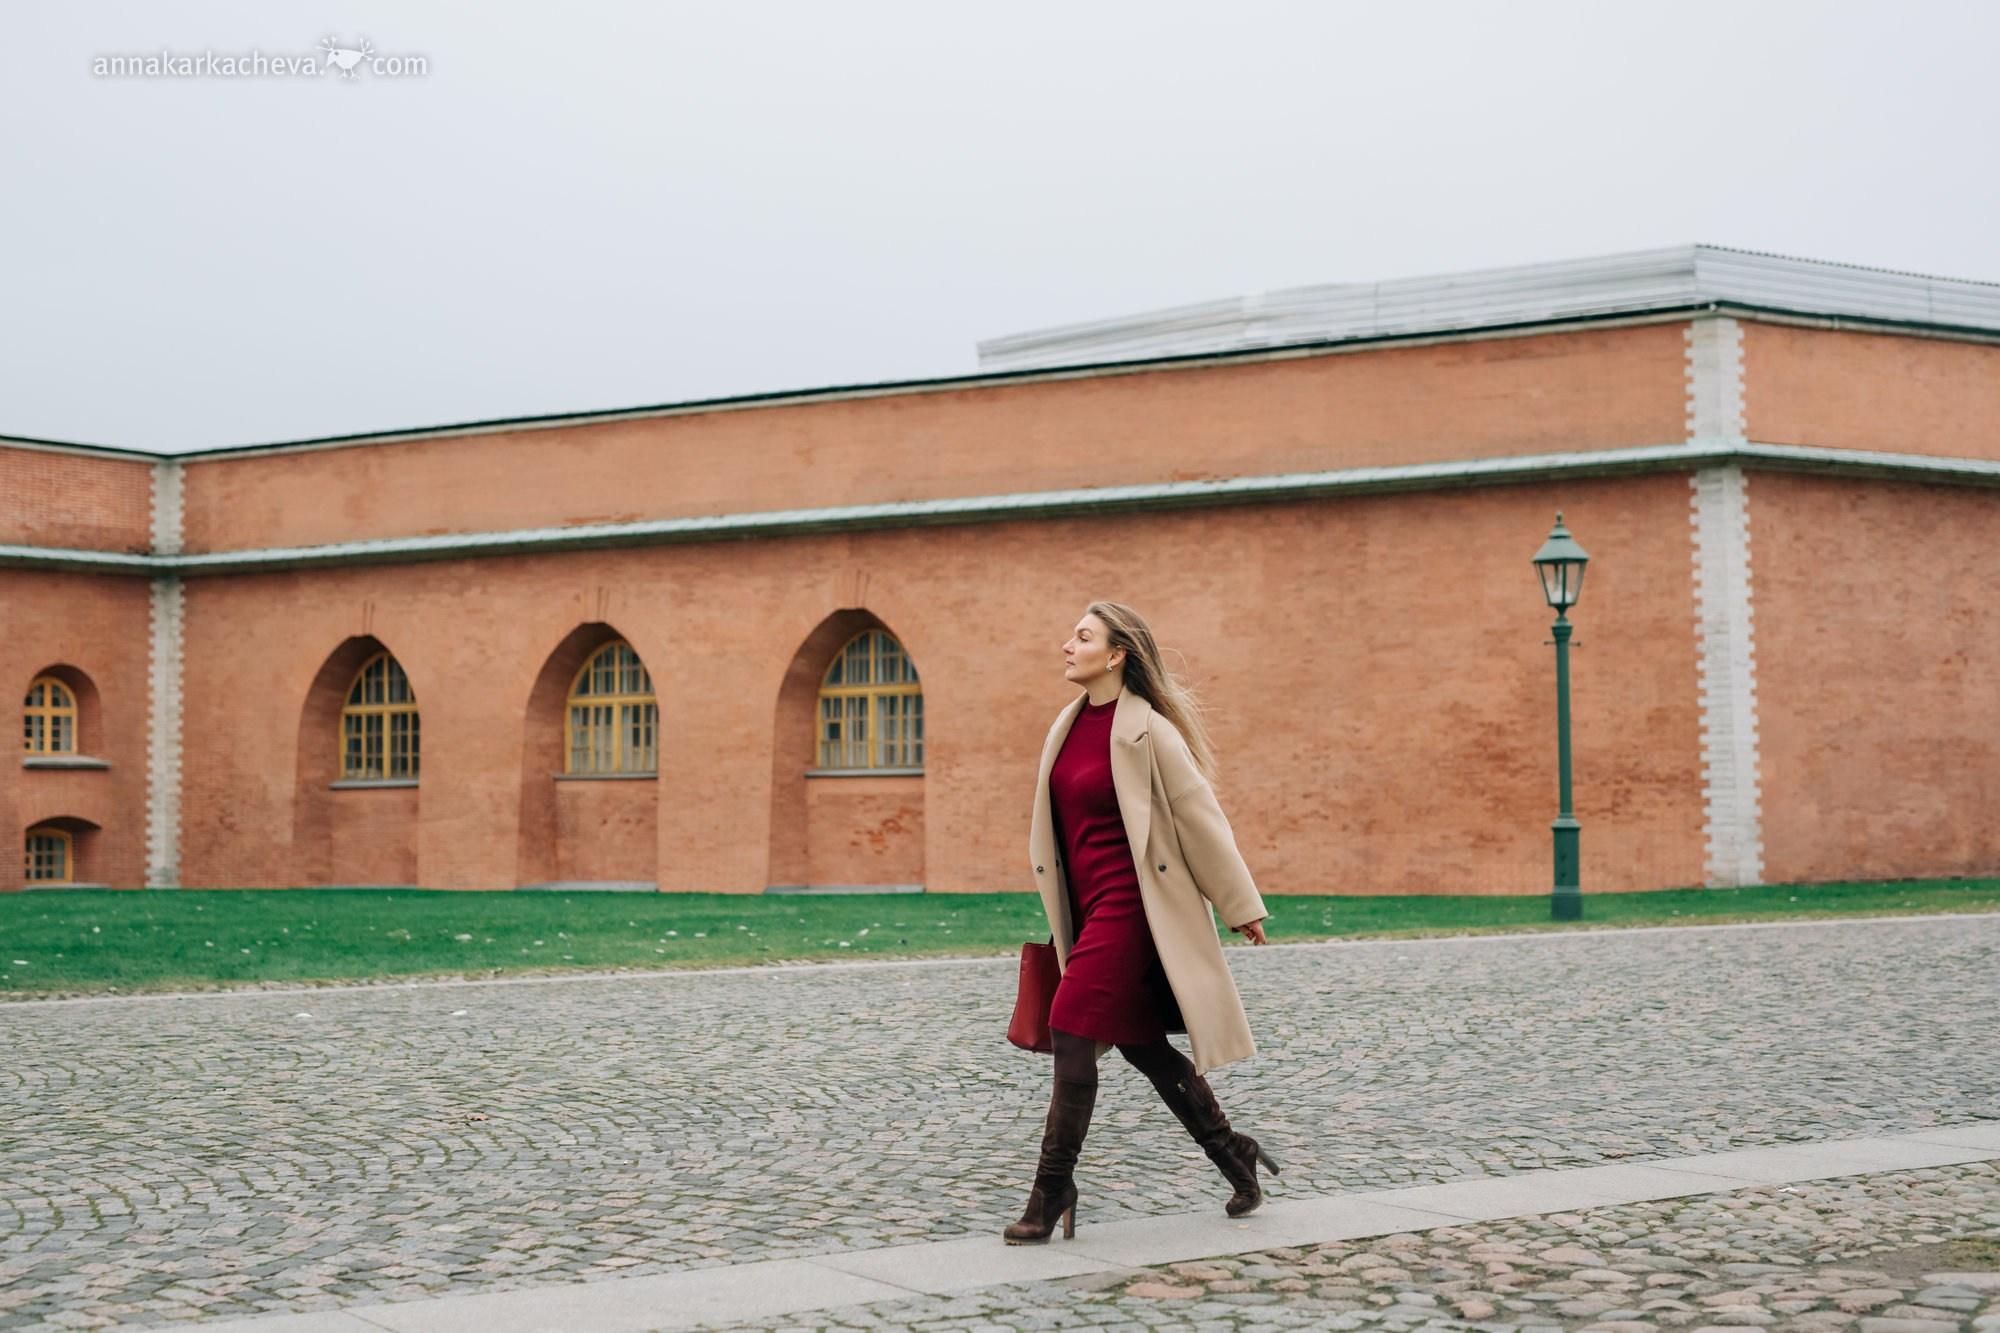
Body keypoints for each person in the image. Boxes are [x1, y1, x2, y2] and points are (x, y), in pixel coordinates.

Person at [1005, 600, 1278, 1245]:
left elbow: (1198, 816)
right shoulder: (1066, 726)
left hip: (1133, 907)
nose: (1067, 645)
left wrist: (1240, 905)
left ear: (1117, 653)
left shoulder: (1149, 731)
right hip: (1087, 908)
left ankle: (1051, 1191)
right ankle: (1233, 1152)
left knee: (1070, 1031)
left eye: (1082, 636)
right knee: (1140, 1045)